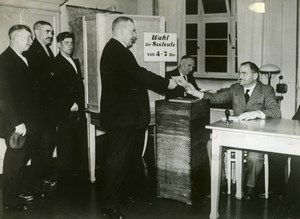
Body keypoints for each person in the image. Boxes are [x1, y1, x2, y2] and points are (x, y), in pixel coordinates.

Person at [100, 16, 177, 218]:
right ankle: (109, 205)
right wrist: (166, 83)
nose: (135, 36)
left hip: (125, 117)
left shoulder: (117, 51)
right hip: (121, 118)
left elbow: (133, 77)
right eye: (133, 31)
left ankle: (118, 196)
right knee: (116, 161)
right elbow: (139, 74)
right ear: (122, 30)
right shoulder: (117, 51)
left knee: (122, 159)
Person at [184, 61, 281, 200]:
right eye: (239, 72)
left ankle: (250, 187)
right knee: (211, 144)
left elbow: (276, 111)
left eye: (244, 73)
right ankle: (220, 182)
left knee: (254, 157)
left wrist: (257, 113)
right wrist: (195, 93)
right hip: (236, 134)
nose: (240, 76)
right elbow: (216, 98)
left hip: (255, 136)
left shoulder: (266, 90)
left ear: (255, 75)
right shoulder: (235, 88)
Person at [0, 24, 38, 210]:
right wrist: (17, 123)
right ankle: (9, 201)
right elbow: (4, 96)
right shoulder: (4, 60)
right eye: (27, 38)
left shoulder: (23, 58)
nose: (31, 41)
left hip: (27, 121)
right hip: (17, 123)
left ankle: (17, 192)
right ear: (13, 38)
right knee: (14, 162)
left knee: (21, 160)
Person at [22, 20, 57, 197]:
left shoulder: (47, 50)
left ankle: (38, 180)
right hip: (39, 111)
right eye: (46, 31)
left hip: (48, 110)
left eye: (51, 31)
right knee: (36, 148)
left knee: (46, 147)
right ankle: (28, 186)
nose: (50, 35)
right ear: (36, 32)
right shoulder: (32, 52)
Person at [54, 32, 87, 179]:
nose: (70, 46)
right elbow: (57, 88)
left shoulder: (74, 61)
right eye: (66, 43)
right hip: (66, 108)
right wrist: (69, 104)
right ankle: (65, 170)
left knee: (77, 137)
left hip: (78, 107)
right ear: (59, 44)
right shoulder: (56, 62)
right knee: (65, 139)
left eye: (71, 43)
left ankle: (77, 167)